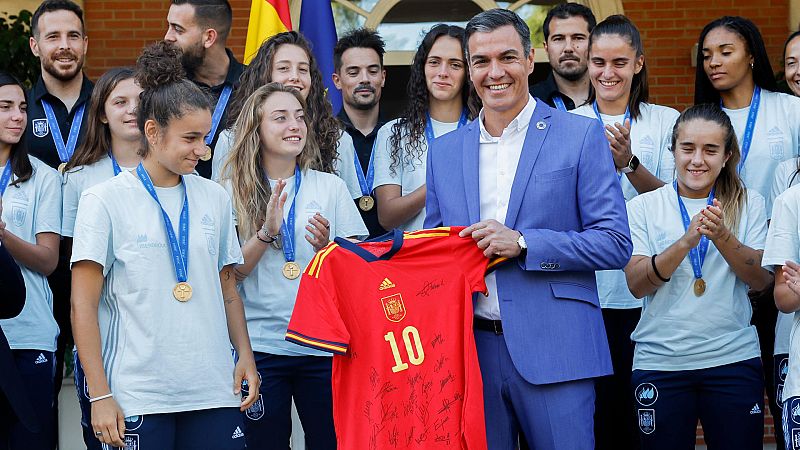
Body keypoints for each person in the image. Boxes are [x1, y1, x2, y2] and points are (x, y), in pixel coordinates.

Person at [425, 9, 632, 449]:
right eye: (481, 61)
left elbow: (615, 243)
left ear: (530, 59)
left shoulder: (580, 136)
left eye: (507, 57)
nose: (494, 72)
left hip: (559, 348)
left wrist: (523, 243)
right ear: (469, 69)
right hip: (471, 355)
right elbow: (434, 254)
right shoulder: (444, 152)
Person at [69, 41, 259, 449]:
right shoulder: (103, 199)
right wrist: (99, 395)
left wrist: (244, 354)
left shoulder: (215, 197)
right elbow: (82, 305)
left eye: (205, 137)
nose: (202, 150)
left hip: (213, 389)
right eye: (190, 138)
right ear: (153, 132)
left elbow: (228, 288)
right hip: (139, 394)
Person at [221, 82, 366, 449]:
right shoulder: (230, 189)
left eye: (300, 117)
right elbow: (231, 275)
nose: (294, 125)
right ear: (256, 128)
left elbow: (359, 273)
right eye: (281, 117)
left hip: (323, 346)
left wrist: (327, 250)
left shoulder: (330, 186)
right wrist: (266, 233)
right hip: (261, 346)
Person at [624, 104, 771, 450]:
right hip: (660, 362)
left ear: (727, 156)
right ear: (673, 150)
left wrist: (722, 236)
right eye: (687, 148)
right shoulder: (643, 207)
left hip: (732, 359)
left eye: (710, 150)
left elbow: (762, 281)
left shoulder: (750, 202)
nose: (697, 160)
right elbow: (636, 285)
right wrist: (685, 242)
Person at [568, 15, 678, 449]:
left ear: (638, 64)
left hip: (650, 292)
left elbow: (678, 204)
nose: (608, 73)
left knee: (647, 420)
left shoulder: (666, 121)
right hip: (590, 293)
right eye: (599, 62)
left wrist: (629, 165)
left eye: (619, 62)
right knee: (599, 416)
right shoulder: (567, 124)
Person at [696, 16, 800, 431]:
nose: (714, 62)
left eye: (726, 52)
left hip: (781, 272)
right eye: (707, 55)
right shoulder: (701, 119)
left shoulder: (789, 108)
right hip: (722, 269)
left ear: (752, 55)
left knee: (784, 392)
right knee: (734, 402)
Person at [60, 66, 142, 450]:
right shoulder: (79, 177)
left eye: (140, 100)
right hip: (105, 332)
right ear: (102, 114)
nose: (132, 109)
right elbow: (72, 264)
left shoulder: (174, 173)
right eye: (120, 102)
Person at [26, 3, 92, 428]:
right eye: (53, 37)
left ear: (85, 43)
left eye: (72, 36)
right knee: (35, 404)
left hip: (99, 262)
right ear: (35, 45)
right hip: (36, 267)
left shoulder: (110, 105)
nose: (64, 46)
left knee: (103, 389)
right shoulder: (16, 109)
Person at [0, 72, 63, 450]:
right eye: (5, 107)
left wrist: (2, 236)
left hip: (28, 333)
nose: (18, 116)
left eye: (22, 107)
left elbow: (48, 260)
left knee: (31, 442)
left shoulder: (43, 176)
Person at [372, 24, 473, 232]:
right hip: (416, 250)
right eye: (434, 62)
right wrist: (439, 181)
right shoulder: (394, 133)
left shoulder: (484, 130)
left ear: (468, 72)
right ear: (422, 68)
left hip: (471, 249)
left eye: (455, 65)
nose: (443, 72)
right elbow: (387, 217)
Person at [211, 31, 340, 181]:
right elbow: (222, 193)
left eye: (303, 70)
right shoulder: (231, 140)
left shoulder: (333, 136)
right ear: (265, 74)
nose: (295, 77)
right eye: (283, 68)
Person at [764, 29, 800, 450]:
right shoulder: (789, 180)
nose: (797, 70)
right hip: (793, 337)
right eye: (790, 62)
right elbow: (786, 280)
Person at [164, 0, 245, 178]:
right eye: (169, 26)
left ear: (209, 37)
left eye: (178, 29)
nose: (167, 37)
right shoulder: (166, 85)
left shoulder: (253, 86)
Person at [332, 28, 388, 238]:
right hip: (341, 249)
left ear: (383, 77)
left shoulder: (401, 135)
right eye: (353, 72)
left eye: (372, 71)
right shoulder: (322, 138)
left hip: (397, 251)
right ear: (337, 80)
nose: (364, 79)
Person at [530, 2, 595, 111]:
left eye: (578, 38)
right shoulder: (529, 102)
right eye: (558, 39)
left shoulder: (615, 94)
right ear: (546, 48)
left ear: (594, 44)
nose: (568, 48)